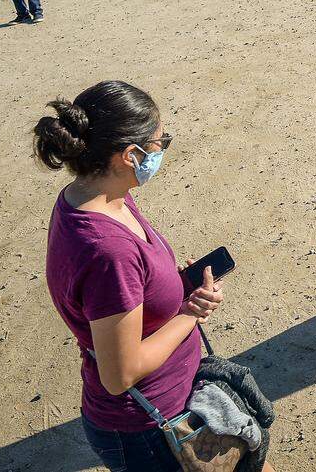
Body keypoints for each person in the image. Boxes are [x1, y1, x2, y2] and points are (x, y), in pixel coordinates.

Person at [36, 82, 276, 471]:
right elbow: (120, 375)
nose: (162, 149)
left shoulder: (97, 195)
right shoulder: (107, 251)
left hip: (174, 393)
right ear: (130, 155)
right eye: (160, 141)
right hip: (151, 429)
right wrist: (191, 312)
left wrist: (172, 285)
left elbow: (129, 293)